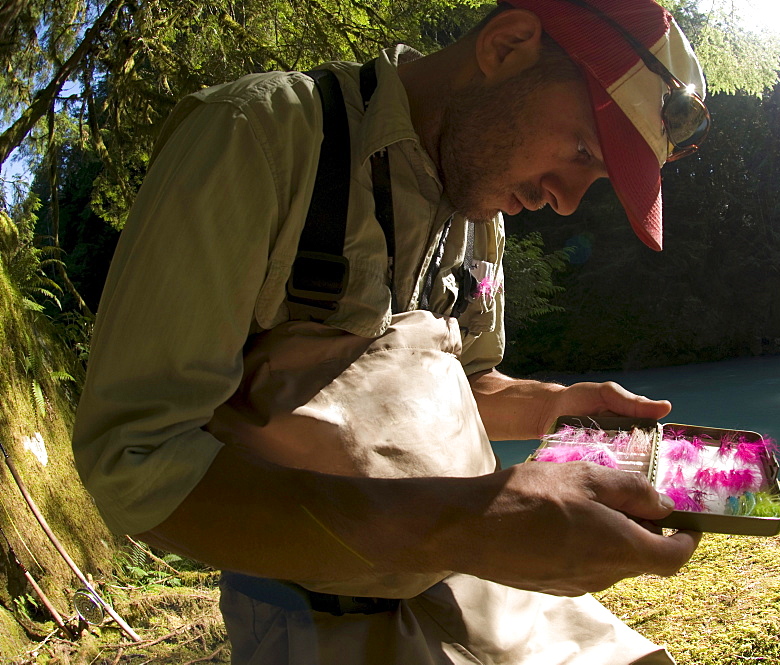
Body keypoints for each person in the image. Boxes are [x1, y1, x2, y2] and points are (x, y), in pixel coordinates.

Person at [71, 0, 709, 662]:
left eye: (595, 178)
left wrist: (554, 407)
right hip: (319, 617)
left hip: (487, 580)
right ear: (507, 45)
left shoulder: (481, 209)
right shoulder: (262, 135)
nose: (568, 200)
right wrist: (470, 524)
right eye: (581, 149)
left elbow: (467, 386)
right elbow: (133, 459)